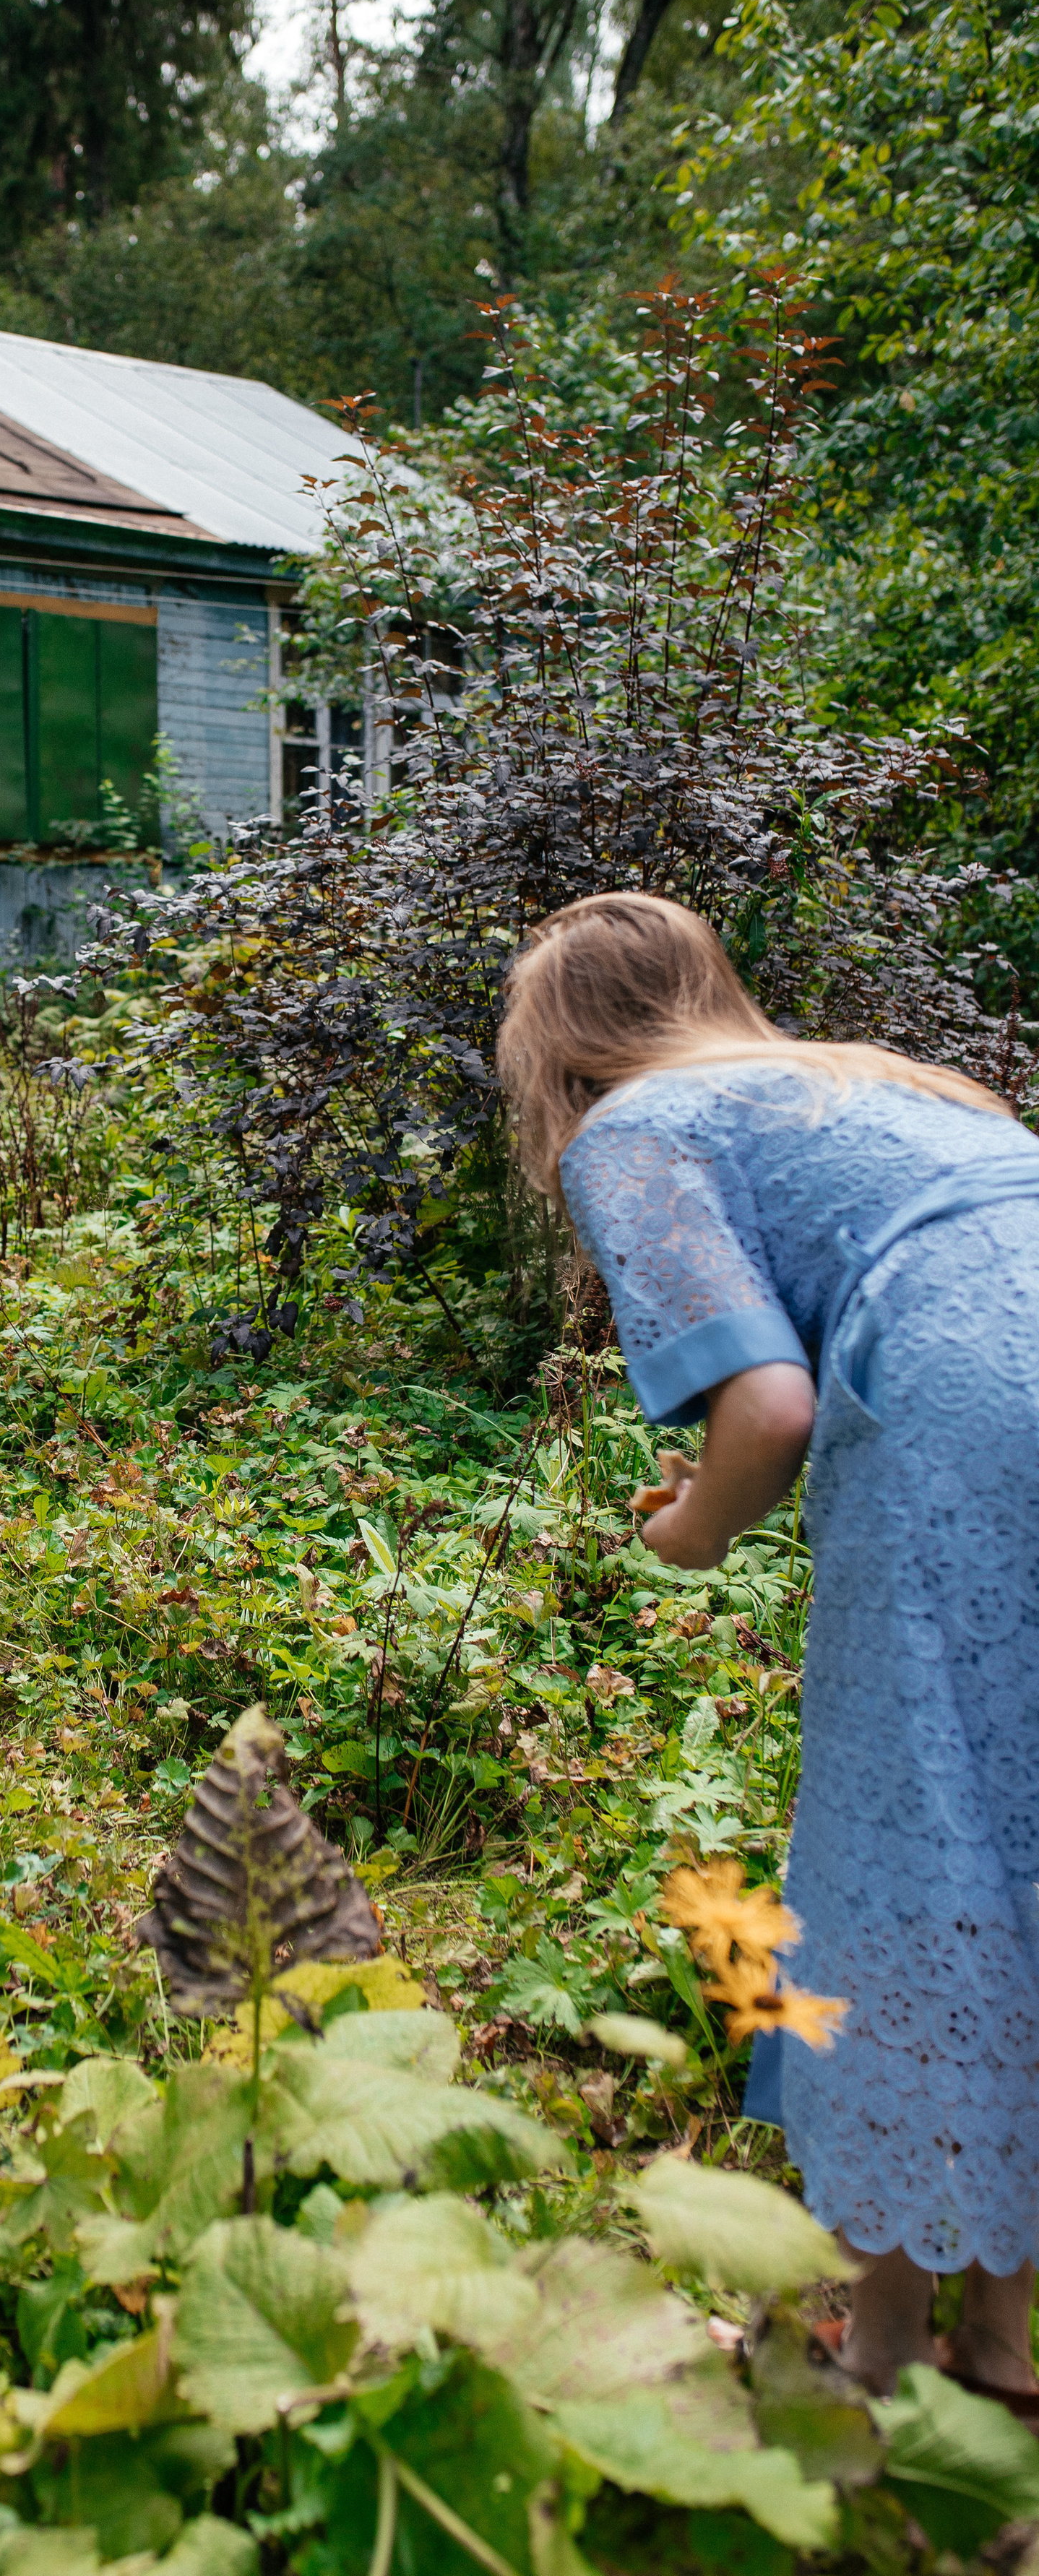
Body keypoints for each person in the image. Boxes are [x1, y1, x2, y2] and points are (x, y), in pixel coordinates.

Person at [496, 891, 1039, 2411]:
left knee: (907, 1835)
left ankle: (871, 2351)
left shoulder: (636, 1125)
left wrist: (694, 1529)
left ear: (560, 1057)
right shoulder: (891, 1078)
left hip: (964, 1422)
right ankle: (992, 2351)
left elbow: (767, 1411)